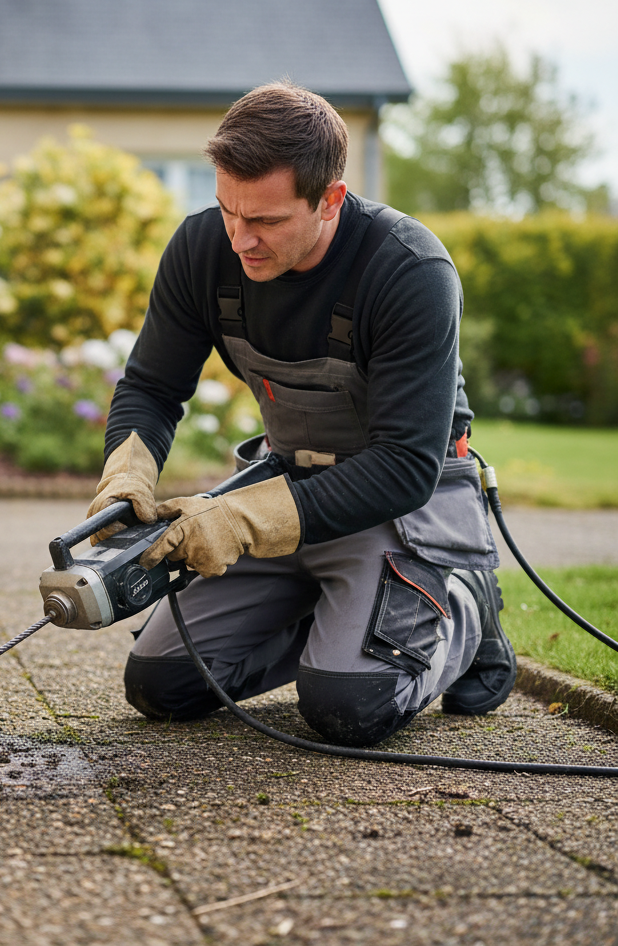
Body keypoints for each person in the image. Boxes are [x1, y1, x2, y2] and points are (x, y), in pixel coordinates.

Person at [87, 82, 516, 747]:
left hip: (396, 511)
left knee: (350, 708)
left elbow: (405, 466)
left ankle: (465, 606)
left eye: (266, 221)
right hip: (286, 489)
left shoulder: (408, 270)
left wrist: (236, 519)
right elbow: (151, 385)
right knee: (162, 684)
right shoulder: (203, 251)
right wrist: (126, 479)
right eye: (229, 209)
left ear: (330, 199)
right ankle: (341, 618)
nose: (240, 238)